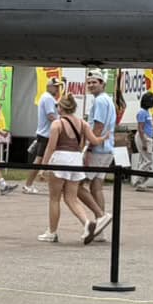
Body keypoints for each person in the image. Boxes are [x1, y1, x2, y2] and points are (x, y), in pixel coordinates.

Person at [38, 93, 104, 243]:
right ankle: (87, 222)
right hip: (75, 159)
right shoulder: (82, 123)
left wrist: (43, 166)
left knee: (54, 199)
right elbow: (94, 140)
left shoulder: (57, 124)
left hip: (60, 158)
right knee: (71, 198)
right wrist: (104, 137)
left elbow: (51, 146)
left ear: (61, 108)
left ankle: (52, 232)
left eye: (57, 106)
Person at [21, 72, 60, 194]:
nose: (58, 89)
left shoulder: (47, 97)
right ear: (49, 87)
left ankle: (31, 183)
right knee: (40, 160)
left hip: (44, 133)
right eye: (56, 86)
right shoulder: (48, 98)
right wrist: (64, 123)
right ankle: (28, 184)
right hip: (47, 134)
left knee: (43, 160)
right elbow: (51, 116)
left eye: (59, 86)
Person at [81, 69, 117, 202]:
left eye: (94, 82)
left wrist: (89, 146)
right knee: (96, 187)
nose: (91, 85)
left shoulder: (100, 101)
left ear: (102, 84)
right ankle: (101, 217)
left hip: (97, 149)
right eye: (89, 82)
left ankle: (99, 214)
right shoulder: (108, 100)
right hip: (107, 149)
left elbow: (98, 126)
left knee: (78, 186)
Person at [132, 90, 153, 189]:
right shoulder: (142, 113)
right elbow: (140, 128)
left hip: (148, 137)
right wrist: (144, 141)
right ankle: (137, 179)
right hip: (143, 137)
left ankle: (140, 183)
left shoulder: (147, 112)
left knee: (144, 160)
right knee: (148, 161)